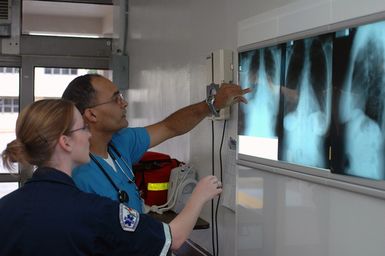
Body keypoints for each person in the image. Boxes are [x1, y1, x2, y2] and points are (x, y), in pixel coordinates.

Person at [0, 99, 223, 255]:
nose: (89, 135)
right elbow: (173, 239)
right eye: (83, 129)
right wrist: (200, 195)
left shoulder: (5, 208)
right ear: (65, 141)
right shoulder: (95, 211)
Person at [62, 74, 250, 212]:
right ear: (91, 114)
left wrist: (213, 104)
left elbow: (170, 127)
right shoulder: (74, 173)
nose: (124, 103)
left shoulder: (121, 142)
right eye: (116, 99)